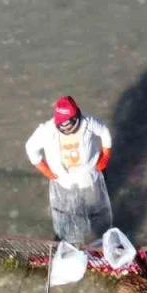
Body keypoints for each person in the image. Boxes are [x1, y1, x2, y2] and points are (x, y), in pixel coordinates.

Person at [25, 95, 114, 244]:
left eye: (70, 124)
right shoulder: (46, 130)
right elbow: (30, 148)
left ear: (77, 116)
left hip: (90, 175)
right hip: (64, 180)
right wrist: (43, 168)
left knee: (95, 207)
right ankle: (66, 238)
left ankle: (99, 236)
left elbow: (104, 132)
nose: (67, 128)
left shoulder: (88, 123)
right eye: (62, 126)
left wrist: (105, 156)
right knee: (67, 210)